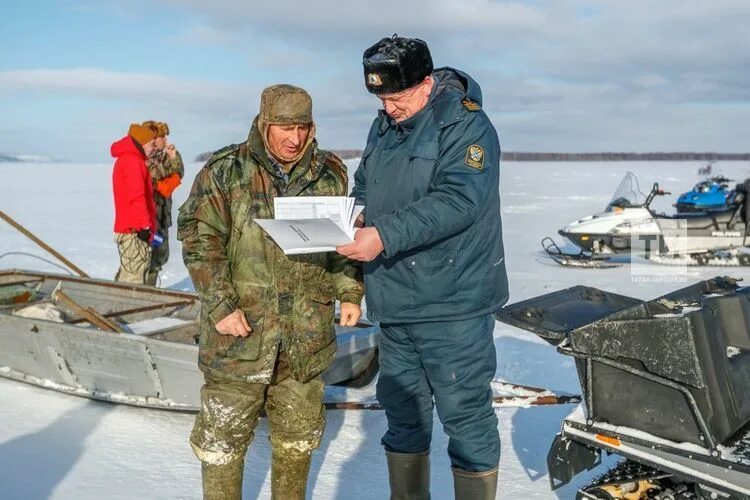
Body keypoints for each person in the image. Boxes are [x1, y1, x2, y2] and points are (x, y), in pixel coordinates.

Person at [337, 35, 509, 500]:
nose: (388, 108)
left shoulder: (465, 126)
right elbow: (366, 187)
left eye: (396, 97)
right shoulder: (383, 129)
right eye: (381, 98)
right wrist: (353, 217)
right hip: (394, 299)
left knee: (464, 415)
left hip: (453, 302)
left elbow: (459, 200)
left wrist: (384, 235)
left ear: (427, 83)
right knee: (403, 414)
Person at [177, 84, 363, 500]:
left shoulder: (330, 172)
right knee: (221, 445)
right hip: (239, 334)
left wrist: (350, 290)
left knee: (297, 441)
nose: (294, 138)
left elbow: (341, 241)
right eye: (284, 127)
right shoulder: (226, 171)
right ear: (264, 124)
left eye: (302, 127)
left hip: (305, 335)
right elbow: (199, 240)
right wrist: (222, 305)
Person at [111, 123, 158, 284]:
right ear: (143, 142)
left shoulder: (128, 159)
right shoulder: (133, 161)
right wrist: (145, 226)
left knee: (130, 274)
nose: (153, 148)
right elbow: (137, 197)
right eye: (152, 144)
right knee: (134, 278)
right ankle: (129, 307)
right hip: (134, 230)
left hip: (131, 228)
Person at [141, 120, 184, 286]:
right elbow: (151, 186)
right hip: (149, 219)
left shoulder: (164, 157)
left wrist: (174, 158)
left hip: (162, 217)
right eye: (162, 137)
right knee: (144, 258)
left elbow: (178, 174)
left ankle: (150, 287)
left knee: (160, 254)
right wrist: (165, 185)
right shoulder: (144, 159)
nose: (165, 140)